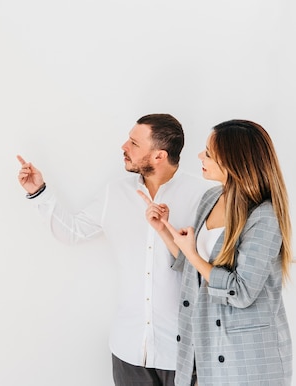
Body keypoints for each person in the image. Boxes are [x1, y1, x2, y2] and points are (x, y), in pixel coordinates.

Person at [17, 113, 214, 386]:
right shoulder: (115, 192)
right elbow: (72, 231)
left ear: (159, 156)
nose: (124, 146)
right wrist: (39, 192)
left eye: (134, 143)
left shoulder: (204, 196)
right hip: (128, 349)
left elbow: (214, 270)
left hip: (185, 353)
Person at [139, 119, 292, 385]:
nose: (200, 156)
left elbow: (242, 292)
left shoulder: (264, 216)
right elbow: (196, 271)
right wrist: (164, 231)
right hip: (203, 346)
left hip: (246, 358)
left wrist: (193, 253)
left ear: (234, 162)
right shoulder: (211, 198)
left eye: (208, 153)